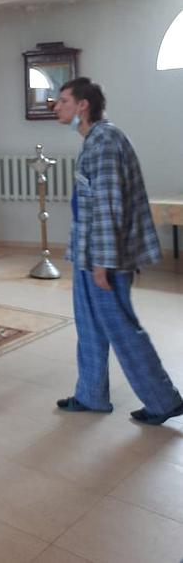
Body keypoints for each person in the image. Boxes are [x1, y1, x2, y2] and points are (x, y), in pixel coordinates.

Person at [54, 77, 183, 424]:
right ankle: (91, 395)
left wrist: (104, 263)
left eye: (64, 101)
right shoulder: (94, 140)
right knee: (90, 326)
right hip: (89, 253)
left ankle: (164, 401)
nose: (57, 107)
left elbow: (110, 206)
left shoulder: (106, 142)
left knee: (121, 327)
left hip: (104, 258)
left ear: (83, 105)